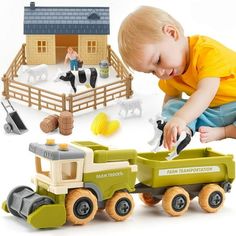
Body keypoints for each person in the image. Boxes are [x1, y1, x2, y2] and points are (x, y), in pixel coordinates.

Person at [118, 6, 236, 151]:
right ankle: (181, 133)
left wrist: (180, 118)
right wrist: (170, 121)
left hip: (233, 106)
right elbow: (170, 101)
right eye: (152, 72)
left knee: (182, 113)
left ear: (172, 33)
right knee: (173, 105)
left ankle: (226, 132)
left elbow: (206, 93)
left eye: (158, 60)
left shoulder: (206, 51)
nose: (160, 73)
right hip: (211, 112)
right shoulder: (170, 73)